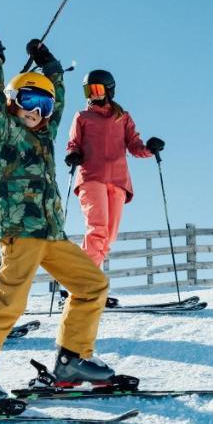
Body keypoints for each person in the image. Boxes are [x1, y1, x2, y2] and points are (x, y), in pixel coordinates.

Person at [0, 27, 132, 414]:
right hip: (22, 234)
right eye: (29, 101)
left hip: (52, 235)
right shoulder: (5, 132)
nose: (37, 112)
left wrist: (51, 67)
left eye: (42, 105)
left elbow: (59, 103)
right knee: (9, 304)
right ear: (13, 102)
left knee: (93, 284)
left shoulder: (45, 135)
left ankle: (72, 359)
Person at [65, 70, 164, 305]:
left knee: (107, 238)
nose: (92, 95)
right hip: (92, 177)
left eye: (97, 90)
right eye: (88, 91)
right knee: (97, 231)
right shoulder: (82, 116)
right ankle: (81, 288)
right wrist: (73, 154)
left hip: (118, 181)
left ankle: (90, 286)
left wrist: (150, 148)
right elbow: (73, 142)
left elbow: (135, 145)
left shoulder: (123, 117)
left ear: (109, 91)